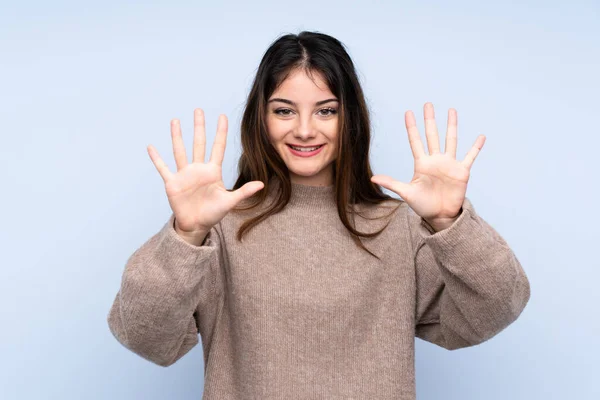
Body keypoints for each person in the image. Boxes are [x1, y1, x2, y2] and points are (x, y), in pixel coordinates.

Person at [107, 31, 531, 399]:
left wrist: (450, 223)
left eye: (326, 110)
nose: (305, 129)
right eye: (284, 110)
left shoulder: (399, 227)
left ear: (350, 119)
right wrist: (186, 234)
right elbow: (144, 336)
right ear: (262, 118)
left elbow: (496, 309)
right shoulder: (218, 229)